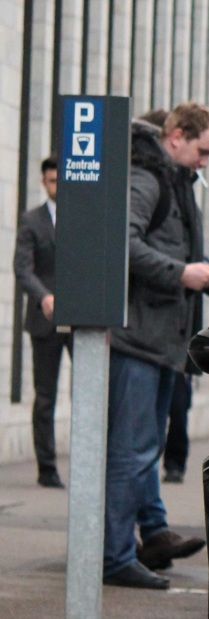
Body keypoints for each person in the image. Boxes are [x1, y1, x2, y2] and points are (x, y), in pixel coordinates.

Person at [103, 104, 209, 589]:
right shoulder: (150, 179)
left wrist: (206, 274)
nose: (204, 163)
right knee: (131, 453)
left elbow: (168, 248)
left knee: (141, 451)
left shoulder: (169, 179)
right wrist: (183, 273)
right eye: (202, 151)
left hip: (156, 339)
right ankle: (115, 558)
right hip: (140, 338)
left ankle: (129, 548)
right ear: (176, 136)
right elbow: (121, 242)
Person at [14, 156, 71, 488]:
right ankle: (46, 467)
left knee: (96, 390)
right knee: (45, 395)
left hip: (81, 322)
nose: (57, 187)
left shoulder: (82, 217)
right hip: (44, 319)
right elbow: (23, 268)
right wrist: (44, 296)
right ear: (43, 182)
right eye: (52, 181)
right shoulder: (31, 221)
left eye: (61, 180)